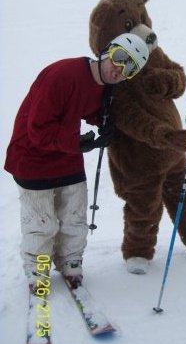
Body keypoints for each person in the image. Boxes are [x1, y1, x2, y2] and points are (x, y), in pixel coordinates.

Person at [4, 33, 149, 290]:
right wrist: (77, 143)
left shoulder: (105, 86)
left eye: (129, 69)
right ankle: (37, 268)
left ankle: (70, 260)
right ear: (106, 51)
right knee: (42, 221)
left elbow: (87, 107)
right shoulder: (63, 75)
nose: (119, 70)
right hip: (33, 156)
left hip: (66, 156)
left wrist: (102, 123)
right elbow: (38, 129)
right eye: (119, 58)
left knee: (74, 215)